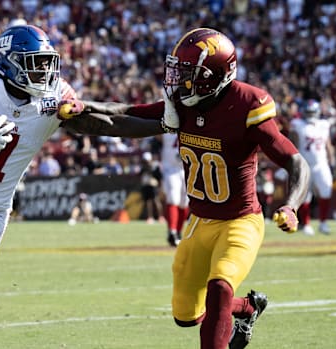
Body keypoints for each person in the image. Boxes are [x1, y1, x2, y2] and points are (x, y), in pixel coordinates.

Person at [0, 24, 164, 349]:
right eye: (35, 62)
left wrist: (163, 124)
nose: (45, 70)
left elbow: (110, 120)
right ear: (10, 63)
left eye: (46, 61)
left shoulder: (54, 100)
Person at [76, 27, 310, 349]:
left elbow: (297, 163)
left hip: (240, 222)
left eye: (188, 73)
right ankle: (248, 307)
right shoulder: (185, 103)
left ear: (214, 76)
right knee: (186, 315)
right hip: (198, 222)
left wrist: (290, 205)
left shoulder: (246, 105)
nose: (178, 80)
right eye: (179, 71)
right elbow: (124, 116)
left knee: (220, 288)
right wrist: (77, 109)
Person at [288, 99, 335, 235]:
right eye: (308, 112)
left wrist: (332, 161)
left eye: (312, 112)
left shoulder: (323, 125)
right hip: (305, 165)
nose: (310, 115)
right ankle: (306, 223)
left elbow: (328, 144)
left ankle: (323, 222)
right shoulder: (297, 125)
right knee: (305, 196)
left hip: (321, 164)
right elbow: (293, 143)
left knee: (326, 190)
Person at [159, 133, 189, 247]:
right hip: (171, 168)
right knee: (173, 198)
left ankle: (178, 232)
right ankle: (172, 231)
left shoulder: (189, 125)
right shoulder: (166, 129)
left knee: (184, 202)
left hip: (187, 168)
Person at [139, 151, 164, 224]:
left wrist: (160, 186)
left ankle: (161, 217)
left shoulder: (155, 166)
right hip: (146, 185)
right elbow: (140, 175)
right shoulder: (143, 167)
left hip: (153, 185)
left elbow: (158, 177)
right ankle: (150, 217)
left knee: (156, 201)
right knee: (148, 202)